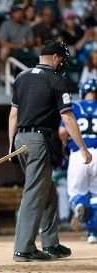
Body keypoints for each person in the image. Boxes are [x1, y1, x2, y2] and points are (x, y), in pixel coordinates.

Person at [8, 39, 92, 262]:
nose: (63, 63)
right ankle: (23, 248)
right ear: (55, 57)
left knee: (48, 191)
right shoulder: (56, 80)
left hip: (21, 138)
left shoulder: (21, 77)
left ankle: (51, 243)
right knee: (35, 192)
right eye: (62, 59)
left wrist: (10, 143)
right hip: (38, 140)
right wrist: (83, 149)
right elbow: (67, 116)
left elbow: (13, 114)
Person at [58, 79, 97, 243]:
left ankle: (80, 205)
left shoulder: (74, 105)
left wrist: (65, 146)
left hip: (79, 153)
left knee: (76, 194)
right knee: (96, 195)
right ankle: (93, 234)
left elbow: (62, 132)